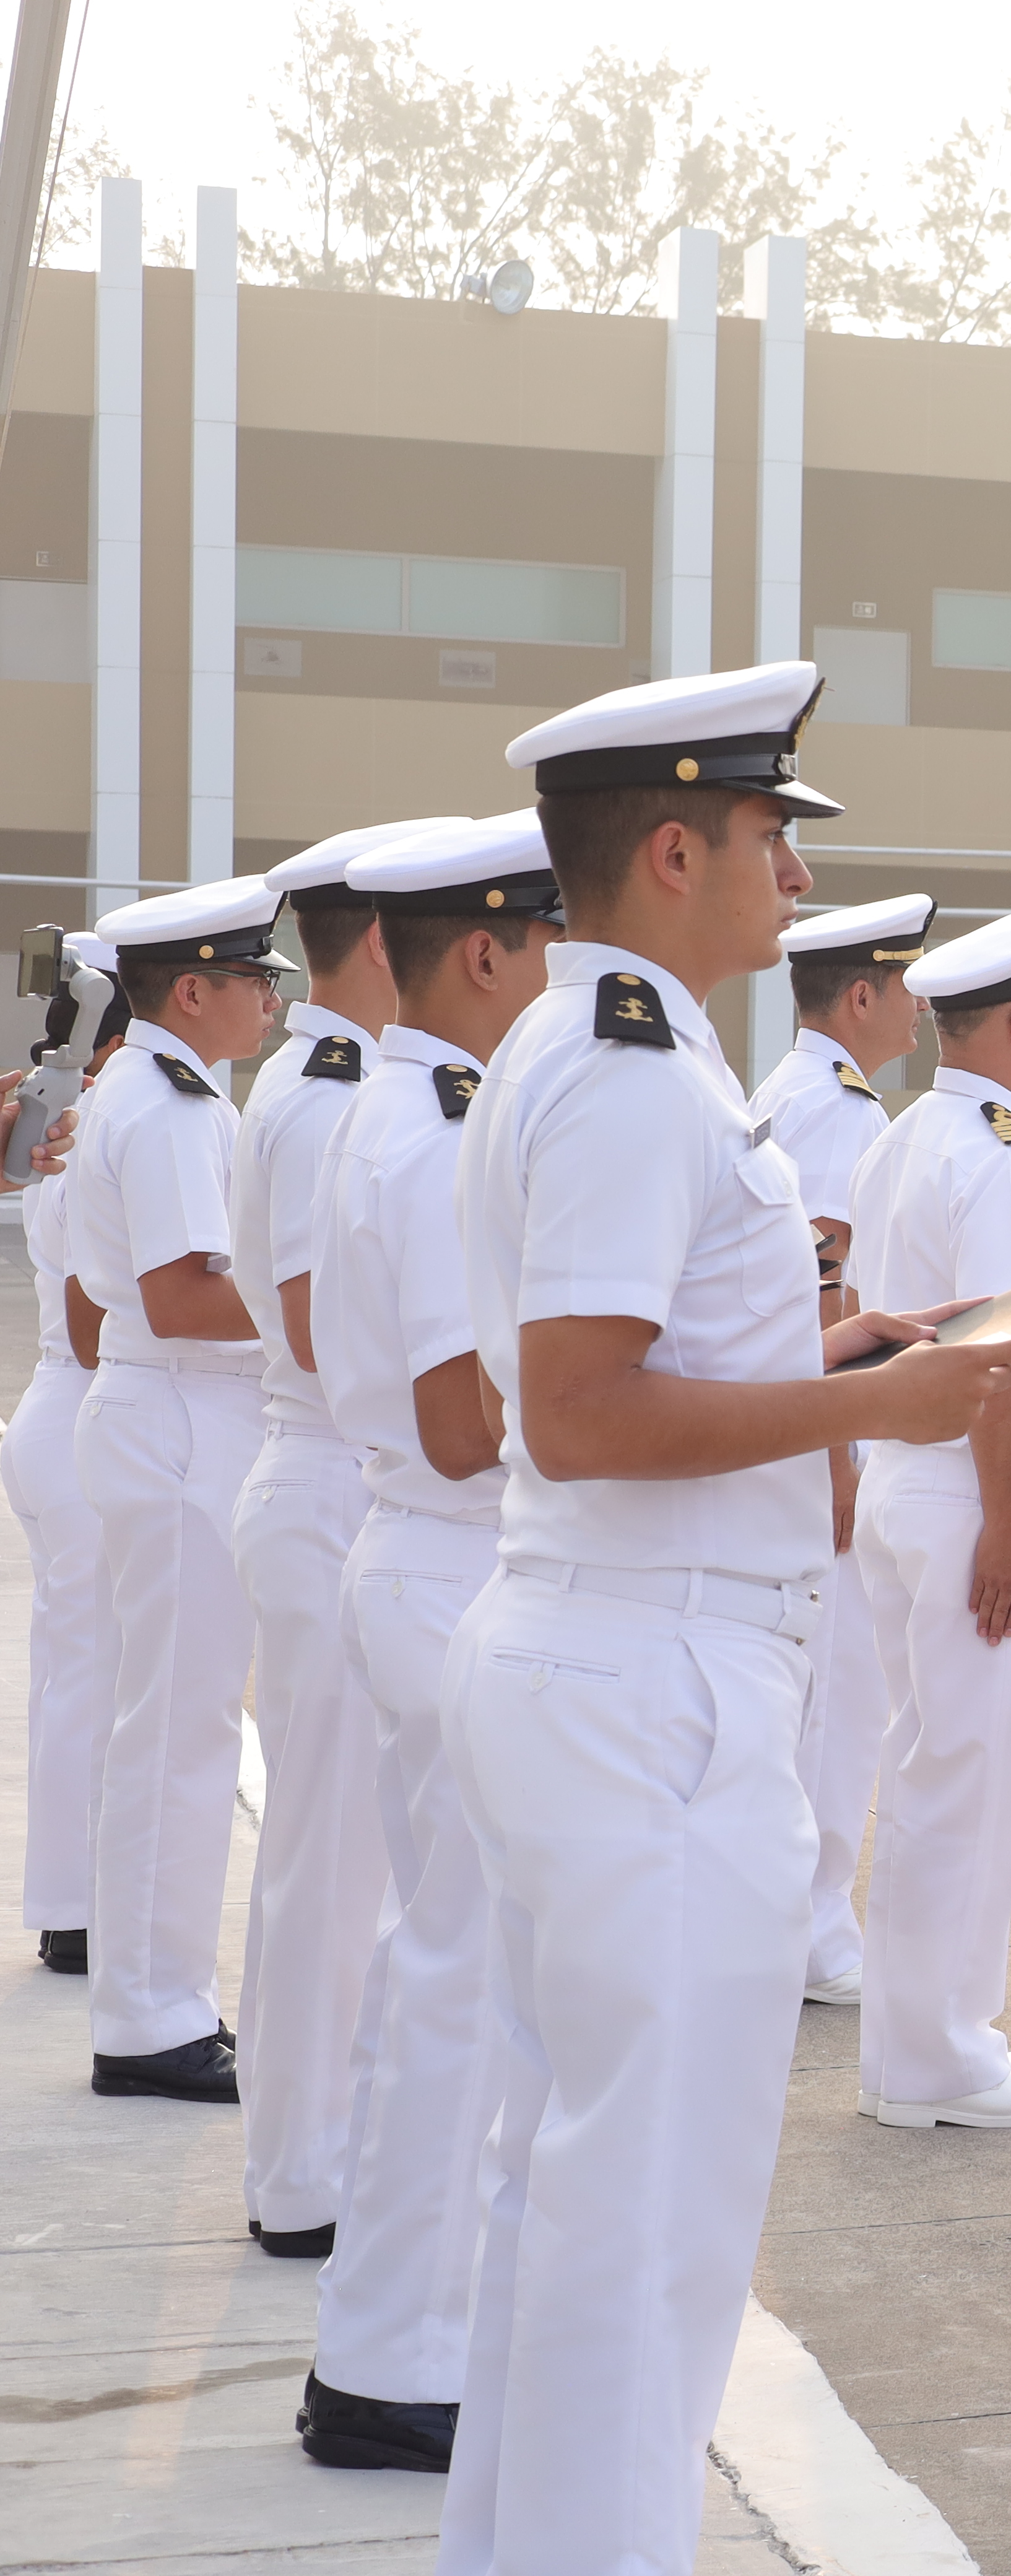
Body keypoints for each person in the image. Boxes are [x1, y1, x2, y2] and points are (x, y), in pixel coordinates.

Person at [443, 663, 1011, 2574]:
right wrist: (873, 1406)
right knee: (648, 2235)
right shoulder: (631, 1071)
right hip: (651, 1674)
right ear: (674, 852)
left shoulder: (609, 1049)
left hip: (613, 1654)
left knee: (571, 2206)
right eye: (772, 833)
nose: (797, 872)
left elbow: (638, 1366)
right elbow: (582, 1412)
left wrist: (830, 1352)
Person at [294, 813, 566, 2475]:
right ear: (483, 952)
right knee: (460, 1983)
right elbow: (471, 1428)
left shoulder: (394, 1112)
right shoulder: (440, 1138)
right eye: (546, 943)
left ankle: (401, 2335)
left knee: (444, 1971)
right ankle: (395, 2358)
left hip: (416, 1554)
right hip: (455, 1553)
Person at [845, 903, 1011, 2131]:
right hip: (976, 1489)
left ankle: (925, 2041)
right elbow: (1008, 1344)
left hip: (914, 1479)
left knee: (937, 1767)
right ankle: (938, 2055)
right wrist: (1010, 1518)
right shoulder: (1007, 1154)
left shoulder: (910, 1134)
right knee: (972, 1780)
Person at [76, 873, 293, 2105]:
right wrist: (331, 1308)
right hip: (178, 1414)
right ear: (195, 991)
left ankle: (153, 2000)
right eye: (255, 977)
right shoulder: (164, 1106)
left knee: (171, 1723)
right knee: (178, 1731)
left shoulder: (169, 1091)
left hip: (174, 1414)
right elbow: (183, 1299)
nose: (272, 999)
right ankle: (151, 2017)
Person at [228, 824, 415, 2252]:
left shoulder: (332, 1083)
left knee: (351, 1855)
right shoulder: (327, 1098)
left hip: (336, 1478)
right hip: (334, 1476)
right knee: (330, 1860)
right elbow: (313, 1328)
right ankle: (304, 2174)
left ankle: (327, 2153)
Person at [746, 892, 932, 2008]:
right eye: (907, 985)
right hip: (822, 1432)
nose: (921, 1006)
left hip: (800, 1421)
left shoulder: (800, 1091)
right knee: (841, 1695)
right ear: (861, 996)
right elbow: (821, 1285)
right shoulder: (837, 1111)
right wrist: (837, 1461)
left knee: (825, 1689)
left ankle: (806, 1914)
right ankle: (815, 1925)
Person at [11, 940, 114, 1979]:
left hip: (58, 1415)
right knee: (97, 1676)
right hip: (86, 1416)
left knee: (74, 1674)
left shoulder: (79, 1121)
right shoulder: (103, 1132)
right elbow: (96, 1333)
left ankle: (67, 1902)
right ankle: (79, 1907)